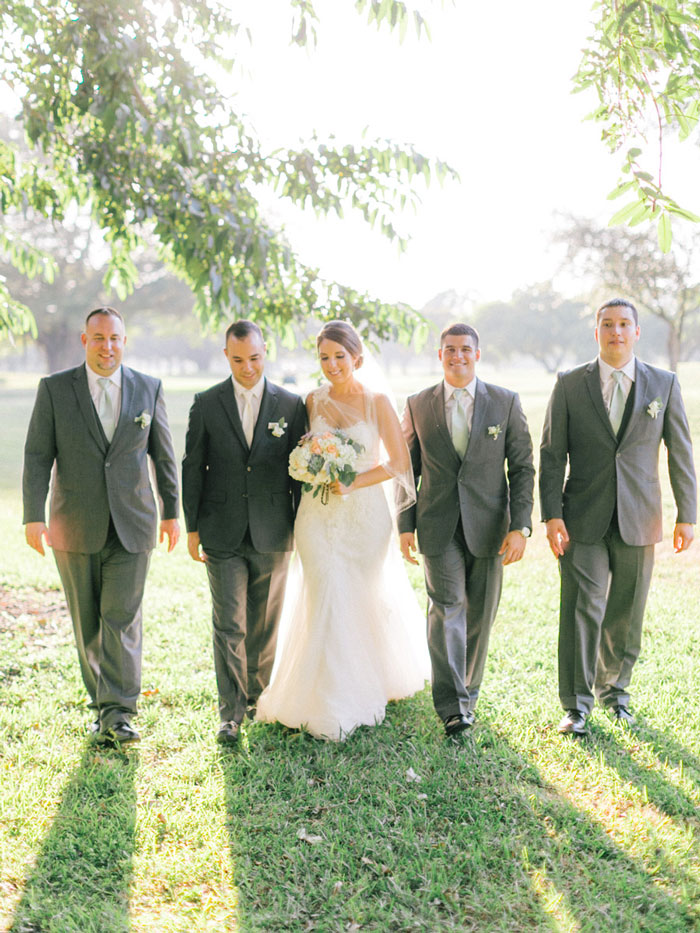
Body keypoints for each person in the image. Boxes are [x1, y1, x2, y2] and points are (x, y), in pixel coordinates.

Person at [255, 320, 430, 740]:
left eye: (339, 356)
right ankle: (314, 692)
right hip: (317, 515)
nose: (332, 365)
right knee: (323, 591)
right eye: (324, 357)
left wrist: (353, 480)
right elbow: (300, 451)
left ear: (357, 358)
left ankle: (355, 687)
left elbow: (400, 464)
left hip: (364, 517)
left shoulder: (377, 402)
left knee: (355, 594)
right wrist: (307, 466)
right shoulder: (312, 401)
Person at [22, 306, 180, 745]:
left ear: (124, 341)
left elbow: (164, 455)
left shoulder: (148, 388)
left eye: (114, 339)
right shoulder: (54, 389)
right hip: (73, 524)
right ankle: (101, 704)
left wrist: (171, 511)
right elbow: (37, 454)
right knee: (87, 621)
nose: (107, 347)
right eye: (98, 338)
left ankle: (119, 712)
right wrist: (33, 515)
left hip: (134, 523)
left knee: (122, 619)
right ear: (84, 340)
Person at [540, 298, 697, 736]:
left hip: (640, 516)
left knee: (627, 612)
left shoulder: (663, 384)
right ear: (596, 332)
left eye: (624, 324)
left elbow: (680, 450)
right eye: (607, 324)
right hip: (581, 517)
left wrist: (688, 513)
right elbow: (552, 454)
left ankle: (616, 694)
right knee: (581, 610)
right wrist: (552, 514)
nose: (616, 332)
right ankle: (576, 706)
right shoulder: (570, 384)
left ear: (637, 331)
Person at [398, 323, 535, 739]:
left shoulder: (505, 402)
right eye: (449, 350)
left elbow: (523, 467)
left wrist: (521, 526)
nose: (457, 356)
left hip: (492, 526)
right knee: (446, 609)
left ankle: (468, 694)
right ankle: (453, 707)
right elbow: (408, 470)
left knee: (480, 614)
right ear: (439, 355)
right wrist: (404, 526)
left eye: (465, 350)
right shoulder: (418, 404)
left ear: (478, 353)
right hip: (437, 525)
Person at [182, 320, 306, 746]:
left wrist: (300, 529)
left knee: (265, 624)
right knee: (228, 623)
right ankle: (230, 713)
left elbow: (299, 475)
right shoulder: (207, 403)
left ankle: (259, 699)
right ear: (226, 356)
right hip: (221, 531)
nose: (248, 367)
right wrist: (193, 526)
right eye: (238, 360)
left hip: (274, 530)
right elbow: (192, 468)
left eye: (254, 358)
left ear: (265, 351)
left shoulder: (291, 405)